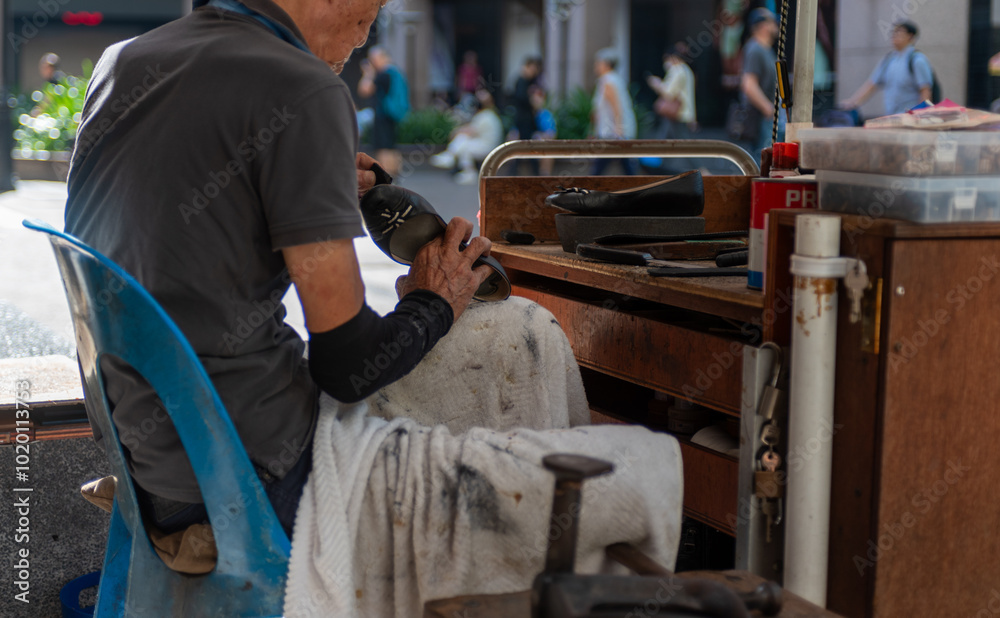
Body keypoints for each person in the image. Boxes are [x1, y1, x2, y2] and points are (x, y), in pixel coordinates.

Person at [64, 1, 681, 614]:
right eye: (369, 13)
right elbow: (348, 367)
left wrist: (308, 175)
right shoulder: (300, 86)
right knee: (642, 466)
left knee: (519, 331)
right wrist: (433, 301)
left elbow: (188, 213)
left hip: (156, 457)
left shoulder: (123, 61)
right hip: (260, 475)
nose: (364, 37)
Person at [841, 21, 934, 116]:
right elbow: (872, 84)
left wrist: (922, 115)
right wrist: (853, 103)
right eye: (893, 32)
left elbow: (925, 90)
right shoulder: (889, 59)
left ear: (910, 36)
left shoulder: (917, 60)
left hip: (911, 118)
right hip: (892, 117)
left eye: (899, 32)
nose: (894, 35)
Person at [430, 88, 504, 184]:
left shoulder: (484, 116)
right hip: (489, 145)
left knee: (463, 143)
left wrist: (456, 132)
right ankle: (451, 157)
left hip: (487, 147)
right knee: (463, 140)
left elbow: (470, 131)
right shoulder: (491, 115)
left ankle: (455, 161)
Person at [739, 7, 782, 160]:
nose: (776, 26)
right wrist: (768, 109)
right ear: (763, 26)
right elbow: (748, 84)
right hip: (761, 119)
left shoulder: (765, 49)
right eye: (772, 22)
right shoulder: (755, 49)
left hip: (768, 119)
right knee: (761, 165)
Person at [648, 44, 697, 173]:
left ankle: (701, 170)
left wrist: (656, 84)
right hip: (681, 114)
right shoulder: (686, 70)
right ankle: (659, 170)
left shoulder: (677, 71)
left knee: (682, 145)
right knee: (666, 141)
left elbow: (668, 93)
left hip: (677, 114)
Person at [359, 45, 407, 176]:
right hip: (392, 115)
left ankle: (387, 176)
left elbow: (364, 90)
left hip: (382, 115)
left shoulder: (383, 75)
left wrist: (368, 73)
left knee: (383, 148)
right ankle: (396, 176)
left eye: (372, 58)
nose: (372, 62)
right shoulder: (395, 72)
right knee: (391, 146)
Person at [590, 47, 638, 175]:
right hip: (613, 133)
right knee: (627, 168)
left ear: (606, 64)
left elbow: (616, 106)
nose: (596, 65)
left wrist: (618, 128)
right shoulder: (613, 79)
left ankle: (586, 191)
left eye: (598, 62)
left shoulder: (608, 80)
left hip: (612, 134)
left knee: (598, 170)